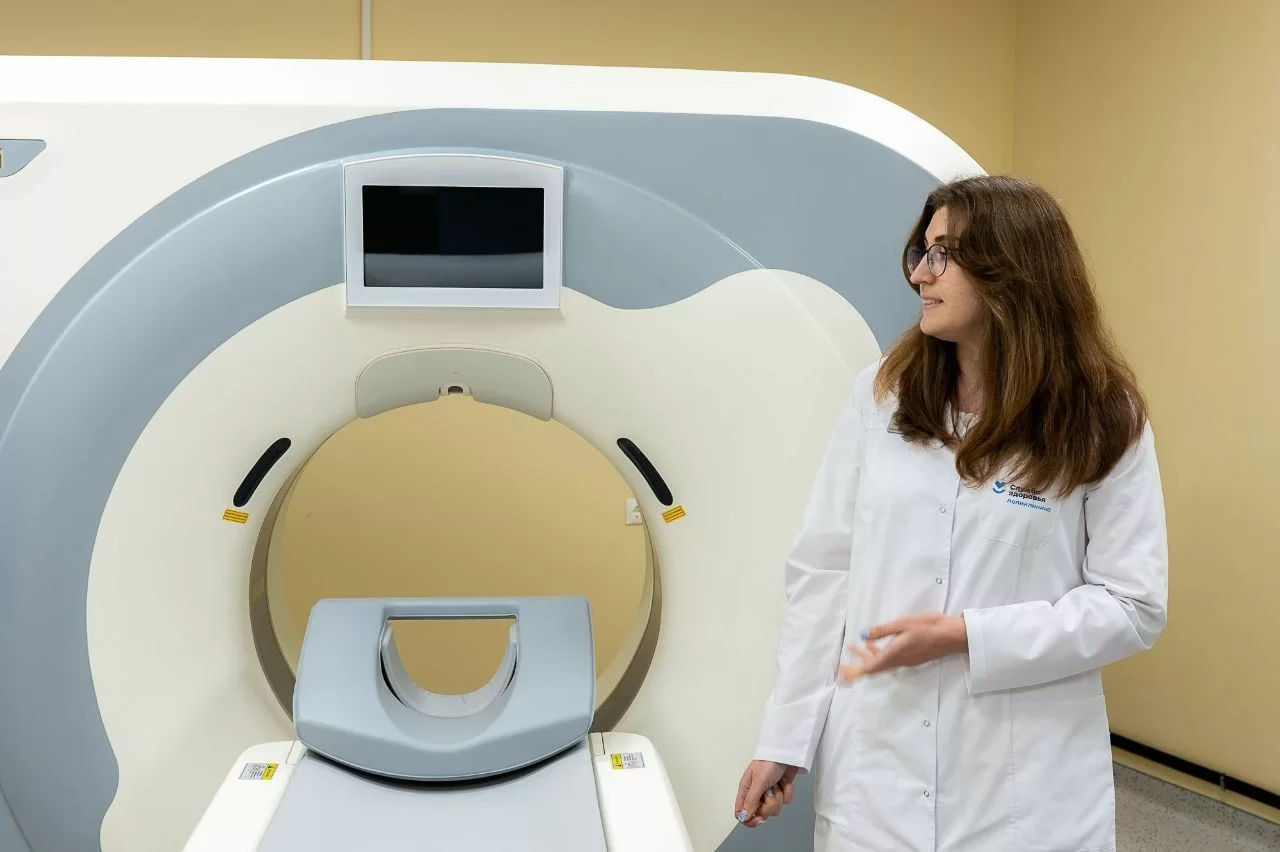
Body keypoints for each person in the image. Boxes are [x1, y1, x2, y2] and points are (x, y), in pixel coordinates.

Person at [733, 175, 1168, 851]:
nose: (920, 275)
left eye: (943, 254)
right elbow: (824, 570)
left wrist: (970, 636)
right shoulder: (882, 394)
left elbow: (1133, 605)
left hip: (1024, 783)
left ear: (1010, 269)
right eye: (922, 252)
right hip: (877, 765)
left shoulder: (1102, 418)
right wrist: (786, 737)